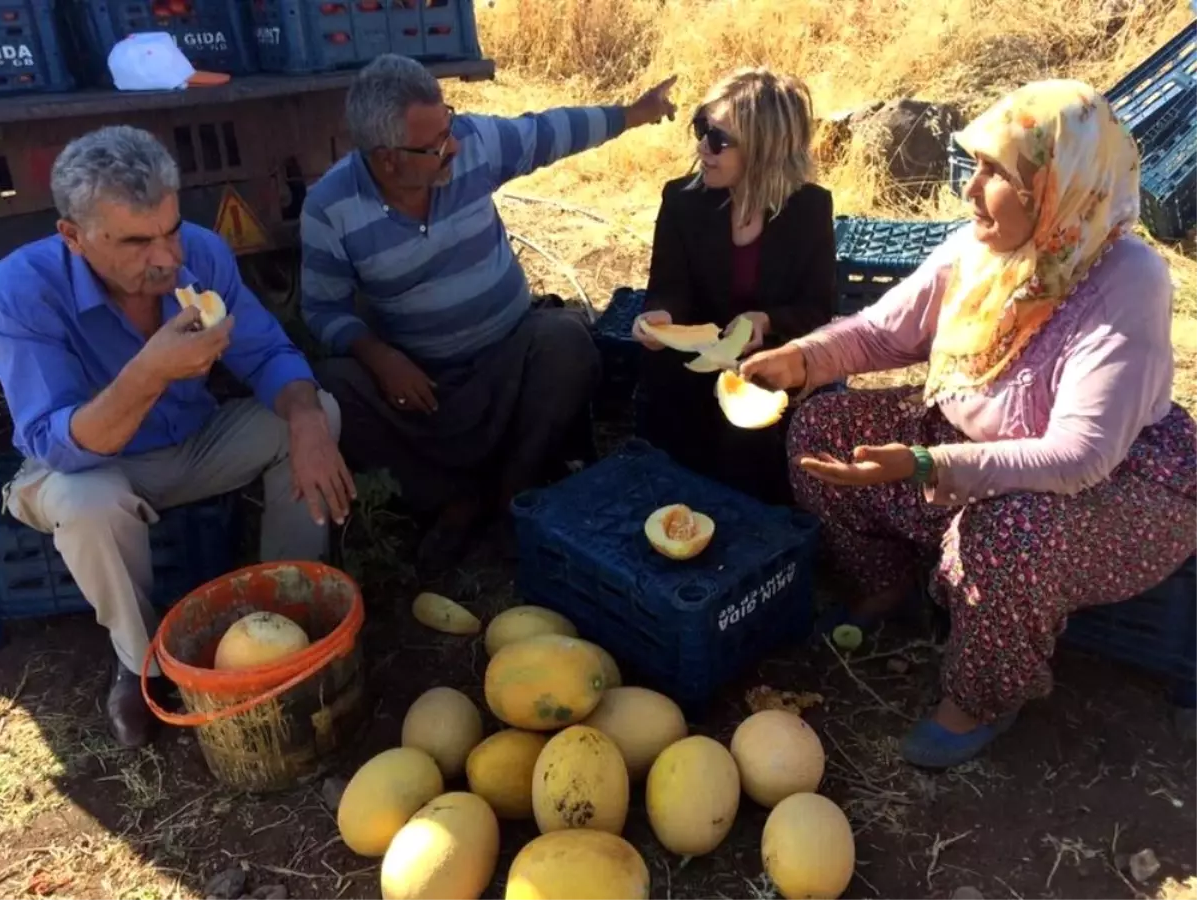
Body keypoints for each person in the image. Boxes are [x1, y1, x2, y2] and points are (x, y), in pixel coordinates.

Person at [741, 79, 1197, 769]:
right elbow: (881, 332)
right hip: (971, 450)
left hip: (1110, 489)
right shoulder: (982, 249)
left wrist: (927, 467)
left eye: (996, 173)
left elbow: (1081, 454)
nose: (969, 189)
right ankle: (887, 585)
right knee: (821, 429)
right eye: (974, 166)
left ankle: (982, 697)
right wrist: (801, 359)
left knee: (1005, 535)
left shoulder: (1127, 278)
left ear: (1056, 186)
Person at [0, 126, 353, 749]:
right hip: (85, 468)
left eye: (168, 229)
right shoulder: (22, 289)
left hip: (193, 444)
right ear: (73, 237)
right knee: (89, 505)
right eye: (136, 241)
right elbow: (55, 442)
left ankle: (279, 614)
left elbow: (268, 355)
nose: (164, 258)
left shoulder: (202, 253)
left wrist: (304, 419)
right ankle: (141, 666)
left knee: (316, 412)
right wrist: (149, 373)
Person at [300, 54, 677, 572]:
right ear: (387, 159)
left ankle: (509, 497)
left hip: (510, 358)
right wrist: (377, 355)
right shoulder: (330, 208)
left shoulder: (474, 147)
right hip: (422, 388)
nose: (453, 144)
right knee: (334, 384)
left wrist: (632, 113)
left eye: (449, 124)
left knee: (567, 343)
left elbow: (548, 132)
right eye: (435, 144)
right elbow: (323, 309)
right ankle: (455, 499)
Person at [631, 68, 836, 504]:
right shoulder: (682, 201)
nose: (702, 146)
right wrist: (661, 317)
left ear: (764, 150)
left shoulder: (809, 209)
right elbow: (669, 286)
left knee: (751, 452)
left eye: (719, 139)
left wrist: (769, 321)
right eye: (701, 127)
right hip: (696, 366)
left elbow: (819, 308)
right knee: (667, 408)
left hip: (770, 366)